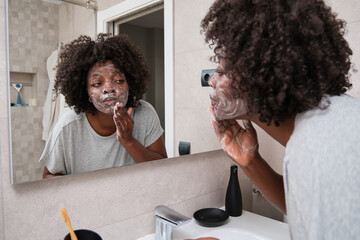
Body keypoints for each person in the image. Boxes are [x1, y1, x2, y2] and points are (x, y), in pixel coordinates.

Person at [201, 0, 360, 239]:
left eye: (221, 72)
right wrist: (251, 162)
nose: (212, 81)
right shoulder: (332, 121)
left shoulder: (317, 146)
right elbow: (307, 209)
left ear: (257, 77)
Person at [39, 34, 167, 178]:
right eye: (97, 83)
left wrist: (129, 141)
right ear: (85, 90)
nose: (109, 88)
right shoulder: (68, 126)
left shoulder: (145, 114)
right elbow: (48, 177)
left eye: (118, 80)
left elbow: (163, 168)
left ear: (130, 83)